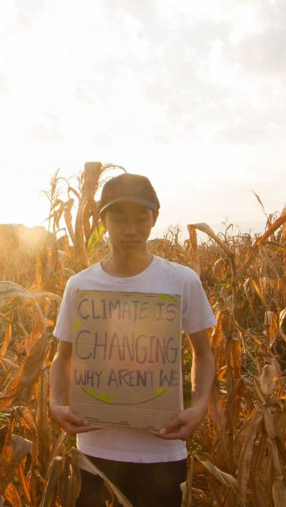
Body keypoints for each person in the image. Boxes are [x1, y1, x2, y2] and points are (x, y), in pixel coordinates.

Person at [49, 172, 217, 506]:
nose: (130, 230)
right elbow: (63, 355)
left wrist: (199, 408)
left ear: (154, 219)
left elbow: (204, 353)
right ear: (103, 221)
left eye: (141, 219)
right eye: (119, 218)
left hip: (163, 449)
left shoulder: (181, 281)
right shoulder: (80, 286)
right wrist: (56, 402)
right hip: (95, 449)